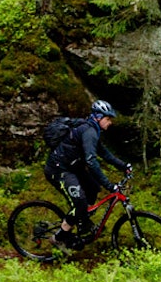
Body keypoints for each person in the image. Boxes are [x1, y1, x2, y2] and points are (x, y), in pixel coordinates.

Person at [44, 99, 131, 248]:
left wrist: (124, 166)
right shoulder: (89, 131)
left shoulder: (93, 130)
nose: (110, 122)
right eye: (108, 119)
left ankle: (82, 222)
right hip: (59, 170)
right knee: (80, 203)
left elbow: (105, 154)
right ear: (98, 117)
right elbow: (91, 162)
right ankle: (58, 238)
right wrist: (110, 186)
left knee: (93, 188)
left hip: (73, 167)